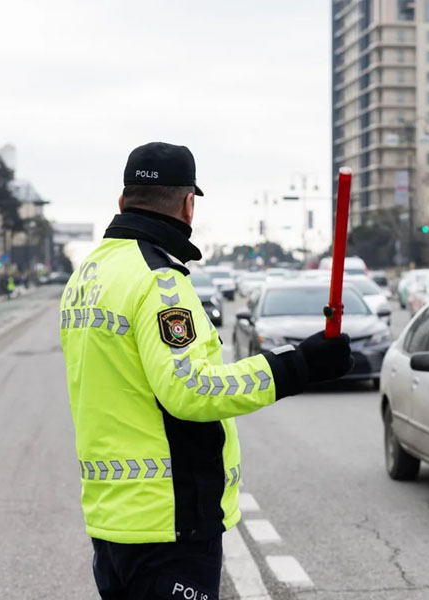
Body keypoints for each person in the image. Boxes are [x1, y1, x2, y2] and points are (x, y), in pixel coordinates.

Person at [59, 142, 352, 600]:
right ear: (187, 205)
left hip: (111, 519)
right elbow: (191, 390)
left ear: (122, 201)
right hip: (167, 521)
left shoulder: (88, 275)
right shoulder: (159, 281)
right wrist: (299, 365)